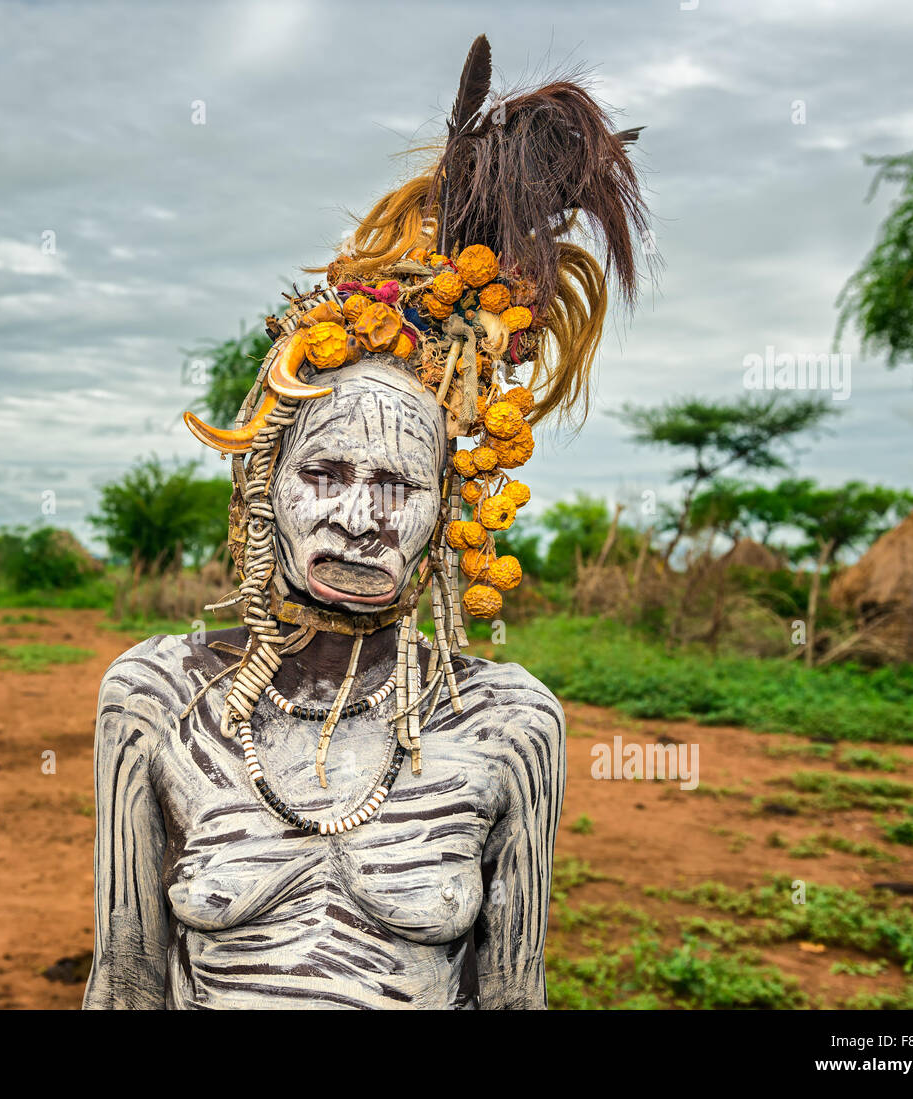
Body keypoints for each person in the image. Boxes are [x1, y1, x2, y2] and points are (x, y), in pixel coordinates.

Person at [83, 34, 649, 1010]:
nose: (358, 517)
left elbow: (511, 997)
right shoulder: (152, 699)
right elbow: (124, 980)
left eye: (396, 484)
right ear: (265, 485)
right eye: (327, 472)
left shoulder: (510, 724)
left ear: (447, 513)